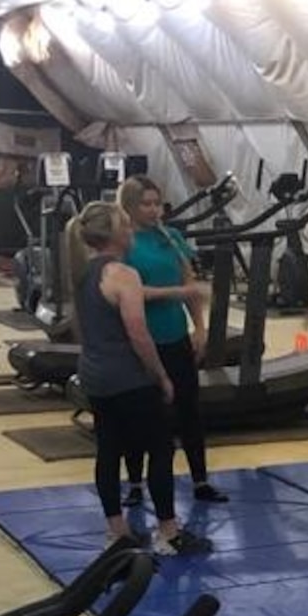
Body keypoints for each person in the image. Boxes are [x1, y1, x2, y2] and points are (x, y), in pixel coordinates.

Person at [70, 200, 211, 558]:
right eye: (127, 226)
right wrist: (161, 376)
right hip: (127, 378)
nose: (132, 232)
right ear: (117, 234)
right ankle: (168, 533)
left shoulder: (85, 271)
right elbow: (138, 333)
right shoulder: (124, 275)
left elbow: (79, 325)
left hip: (96, 376)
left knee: (109, 449)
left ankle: (116, 531)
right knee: (160, 449)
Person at [114, 175, 226, 508]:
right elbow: (128, 293)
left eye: (157, 203)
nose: (153, 210)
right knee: (140, 415)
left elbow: (190, 287)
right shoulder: (124, 243)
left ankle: (200, 480)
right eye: (145, 204)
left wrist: (201, 329)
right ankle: (135, 482)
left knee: (189, 410)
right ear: (130, 208)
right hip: (141, 341)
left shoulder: (173, 237)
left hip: (175, 336)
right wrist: (176, 293)